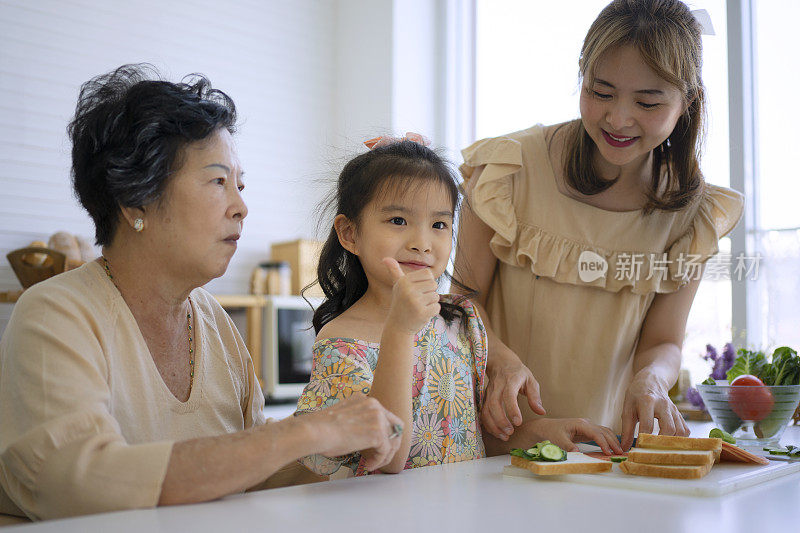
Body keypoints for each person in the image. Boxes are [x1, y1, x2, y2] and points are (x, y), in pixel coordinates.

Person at [0, 65, 404, 521]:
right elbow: (78, 482)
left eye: (240, 184)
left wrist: (346, 450)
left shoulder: (211, 320)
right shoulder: (55, 314)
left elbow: (251, 472)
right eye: (218, 181)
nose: (241, 206)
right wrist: (304, 433)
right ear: (135, 201)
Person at [455, 0, 744, 450]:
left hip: (602, 451)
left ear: (686, 101)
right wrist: (500, 361)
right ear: (581, 74)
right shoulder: (507, 171)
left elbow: (664, 341)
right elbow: (463, 301)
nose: (618, 118)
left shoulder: (691, 213)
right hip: (492, 441)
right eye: (601, 92)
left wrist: (650, 380)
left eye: (647, 101)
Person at [295, 137, 622, 477]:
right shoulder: (341, 343)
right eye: (397, 220)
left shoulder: (460, 321)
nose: (422, 243)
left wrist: (538, 433)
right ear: (350, 234)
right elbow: (388, 458)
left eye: (439, 225)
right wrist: (400, 329)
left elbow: (469, 443)